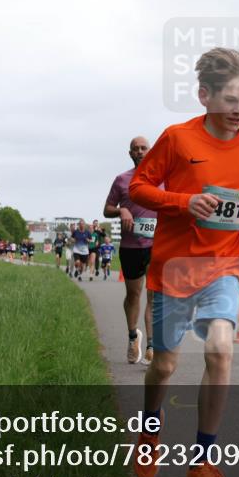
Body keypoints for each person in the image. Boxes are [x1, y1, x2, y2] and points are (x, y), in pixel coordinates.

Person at [129, 47, 239, 477]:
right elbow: (139, 187)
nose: (238, 111)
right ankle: (150, 431)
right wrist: (182, 202)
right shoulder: (176, 139)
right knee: (165, 366)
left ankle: (203, 461)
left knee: (220, 348)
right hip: (173, 268)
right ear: (204, 96)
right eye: (230, 100)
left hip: (226, 267)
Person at [104, 136, 159, 365]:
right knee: (134, 294)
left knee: (154, 296)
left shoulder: (162, 177)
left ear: (151, 151)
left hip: (157, 245)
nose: (139, 151)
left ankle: (151, 347)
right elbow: (107, 209)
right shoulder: (121, 180)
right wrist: (121, 211)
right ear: (130, 153)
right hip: (130, 246)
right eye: (135, 149)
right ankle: (132, 336)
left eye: (143, 148)